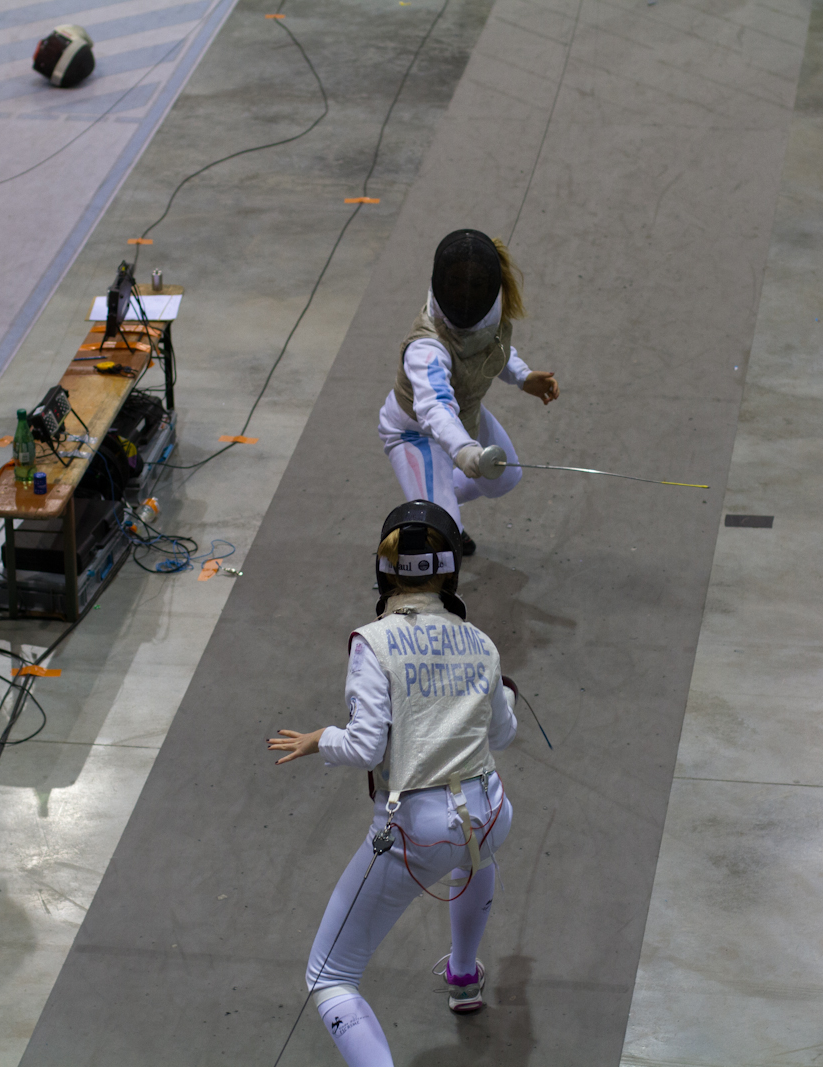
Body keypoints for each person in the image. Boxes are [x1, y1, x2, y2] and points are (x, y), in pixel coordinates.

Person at [268, 501, 518, 1067]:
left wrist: (320, 738)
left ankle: (457, 977)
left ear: (384, 572)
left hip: (418, 832)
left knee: (329, 975)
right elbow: (503, 735)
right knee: (475, 854)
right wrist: (502, 693)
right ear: (450, 571)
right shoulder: (481, 642)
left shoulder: (373, 642)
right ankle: (463, 976)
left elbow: (364, 747)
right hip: (490, 811)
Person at [378, 229, 560, 556]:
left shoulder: (491, 310)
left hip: (466, 412)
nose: (465, 296)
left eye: (474, 286)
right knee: (441, 540)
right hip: (415, 432)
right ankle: (438, 517)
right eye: (458, 285)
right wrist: (465, 451)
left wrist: (522, 376)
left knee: (503, 477)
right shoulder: (426, 348)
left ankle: (434, 503)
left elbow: (492, 348)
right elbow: (435, 408)